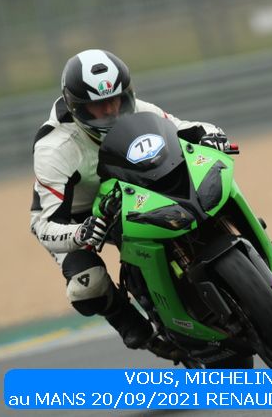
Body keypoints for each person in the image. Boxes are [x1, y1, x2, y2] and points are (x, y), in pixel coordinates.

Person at [29, 49, 230, 357]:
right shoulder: (54, 147)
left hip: (131, 190)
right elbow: (43, 225)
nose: (111, 110)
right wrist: (81, 233)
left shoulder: (139, 110)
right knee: (88, 287)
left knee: (209, 177)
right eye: (98, 106)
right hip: (78, 218)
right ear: (76, 106)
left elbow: (184, 128)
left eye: (117, 100)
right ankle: (139, 330)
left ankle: (246, 243)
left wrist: (212, 134)